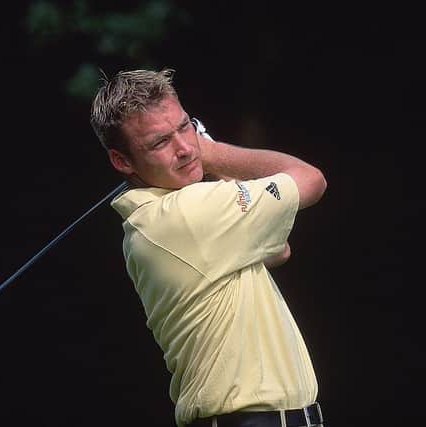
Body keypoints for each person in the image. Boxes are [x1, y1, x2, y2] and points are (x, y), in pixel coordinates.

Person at [90, 68, 328, 427]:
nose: (185, 148)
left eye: (185, 127)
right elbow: (311, 179)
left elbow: (278, 251)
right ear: (121, 161)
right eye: (159, 143)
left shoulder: (159, 220)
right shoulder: (185, 214)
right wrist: (211, 152)